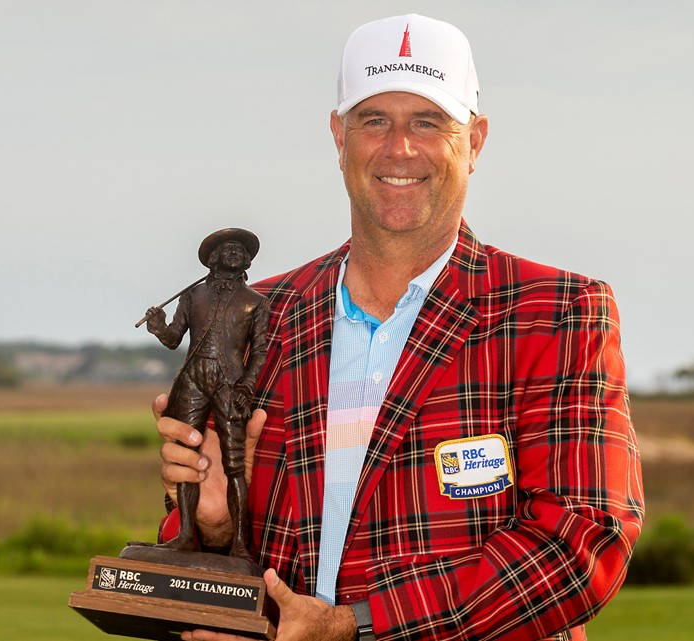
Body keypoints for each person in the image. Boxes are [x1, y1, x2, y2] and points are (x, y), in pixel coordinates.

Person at [152, 14, 644, 641]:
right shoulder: (266, 313)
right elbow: (206, 563)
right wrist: (215, 529)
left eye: (428, 122)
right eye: (374, 120)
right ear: (338, 137)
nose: (399, 148)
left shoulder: (556, 312)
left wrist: (354, 627)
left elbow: (580, 542)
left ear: (475, 141)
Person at [143, 229, 270, 561]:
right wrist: (158, 325)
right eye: (226, 249)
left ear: (247, 261)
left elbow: (259, 352)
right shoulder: (193, 296)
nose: (233, 253)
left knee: (234, 465)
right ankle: (185, 533)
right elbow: (173, 339)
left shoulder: (256, 302)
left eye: (239, 250)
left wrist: (246, 385)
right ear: (213, 259)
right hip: (193, 378)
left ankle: (241, 543)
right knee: (185, 455)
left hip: (230, 383)